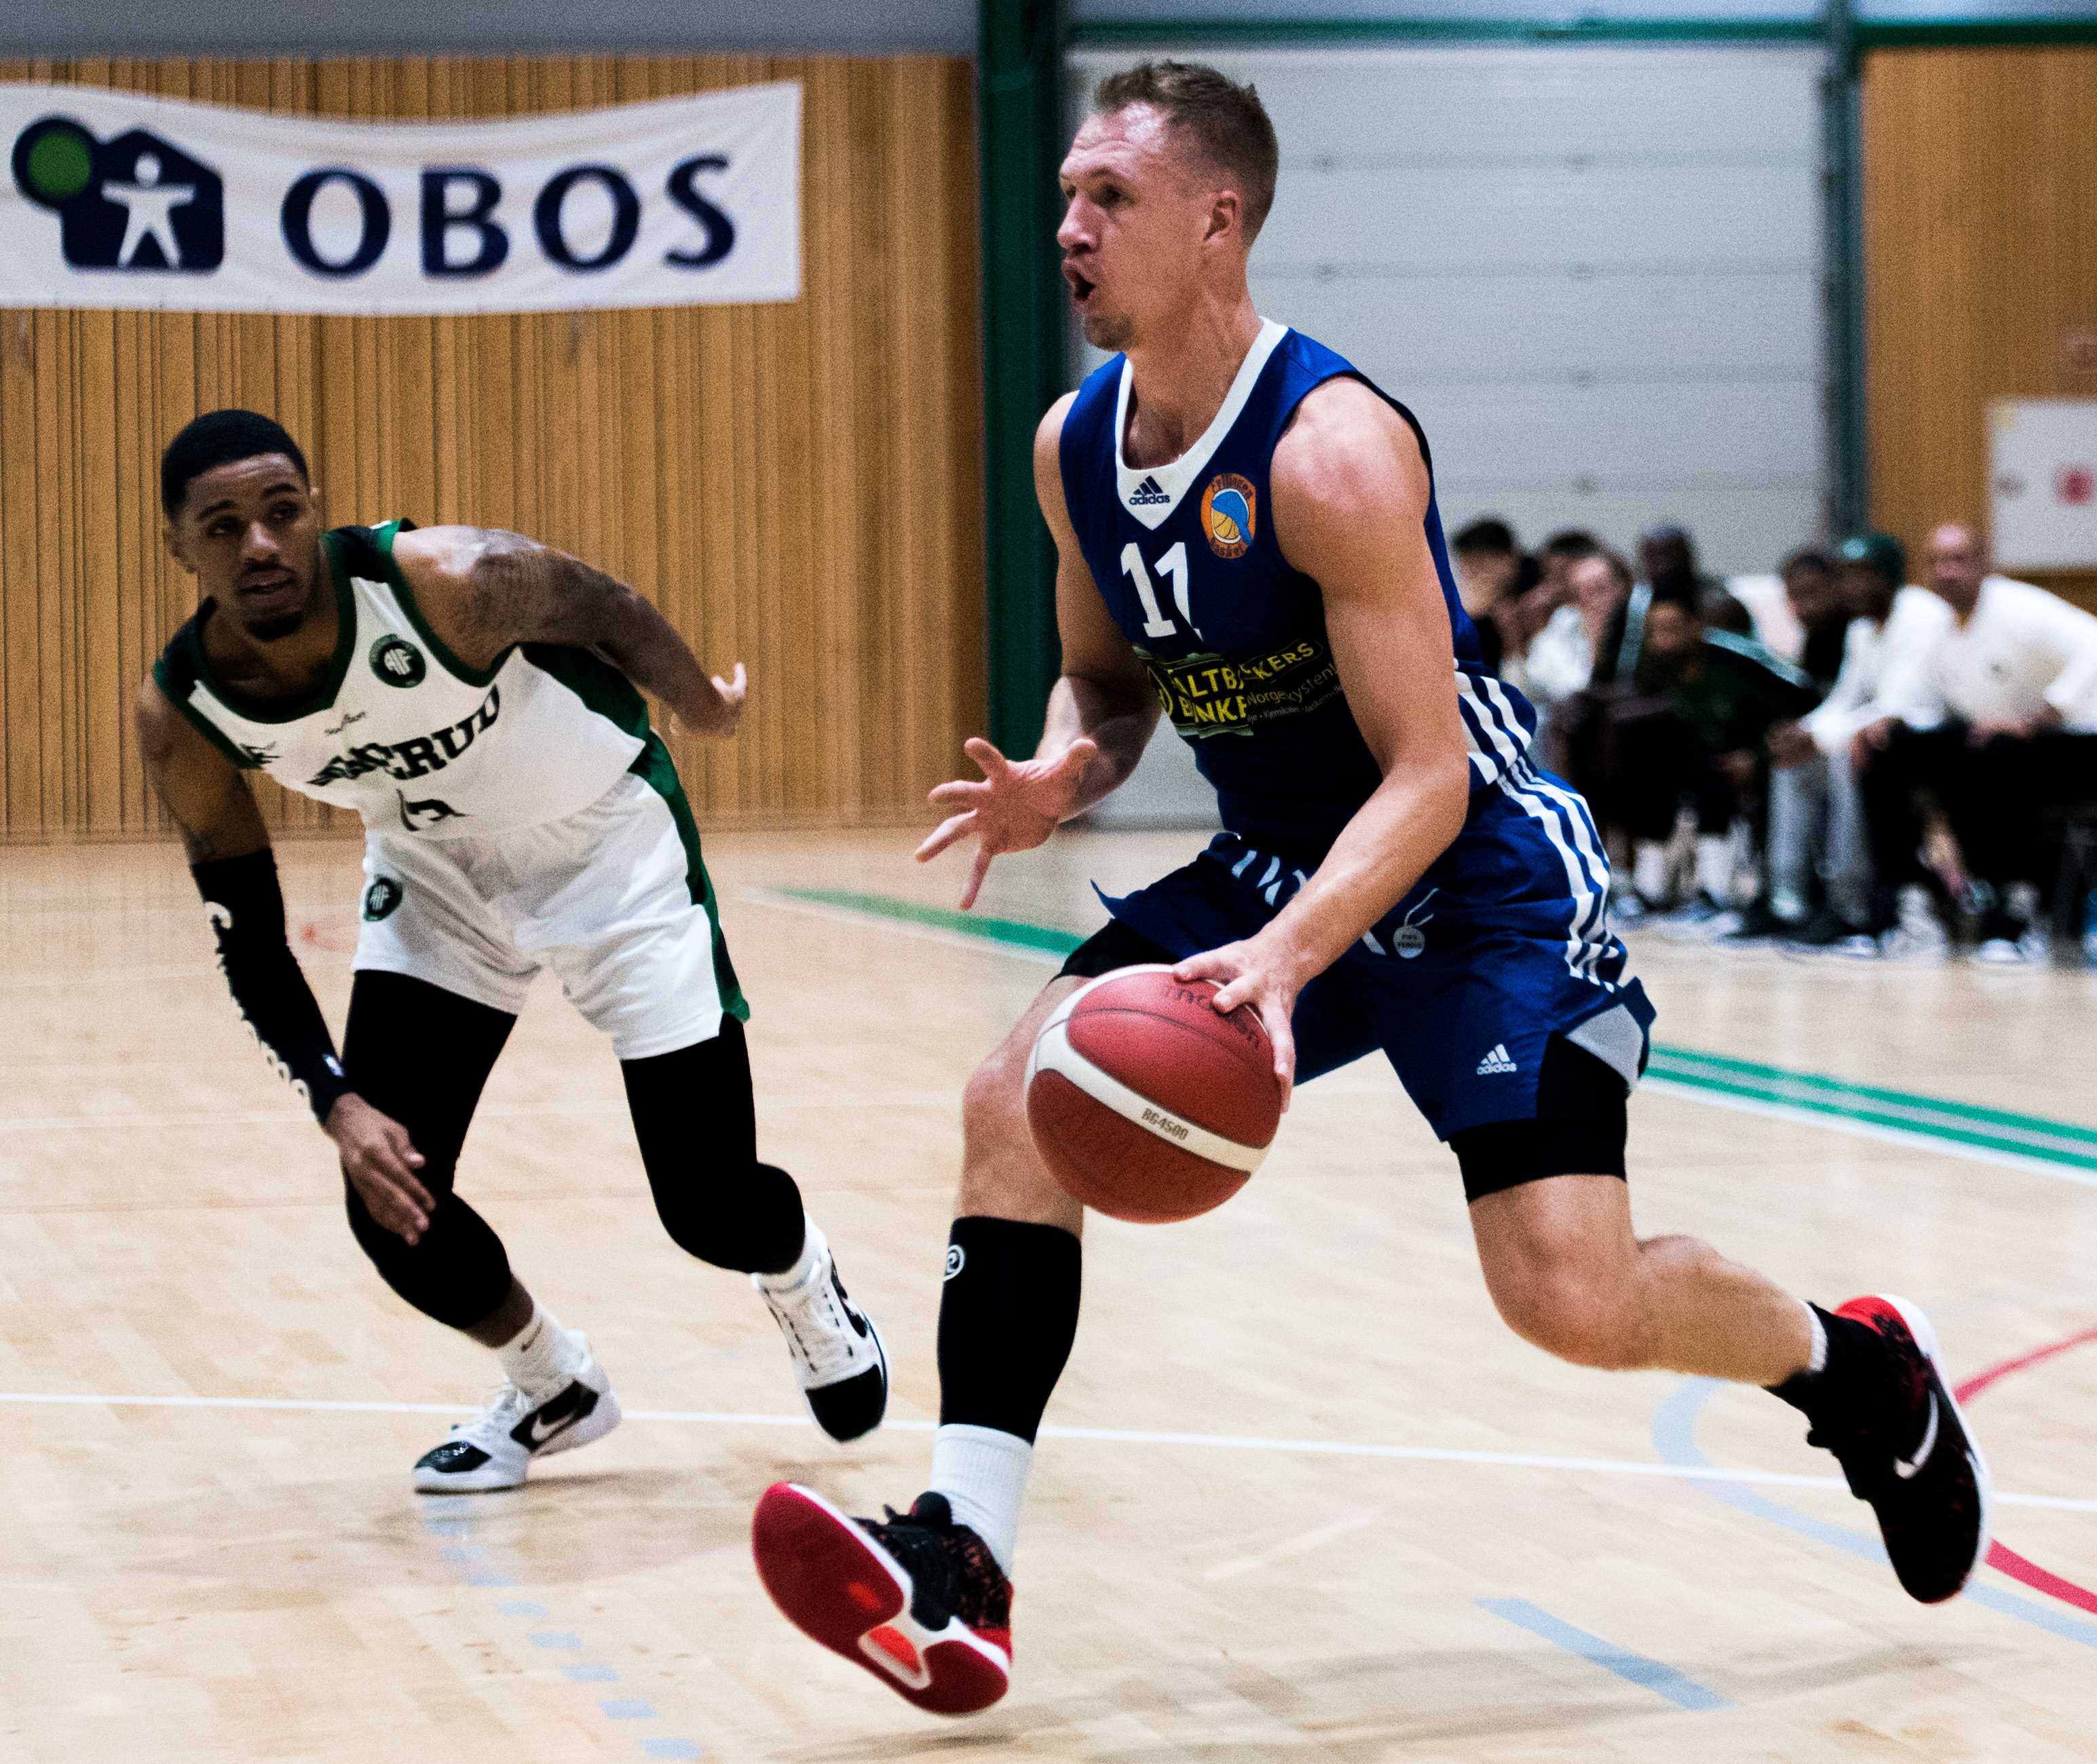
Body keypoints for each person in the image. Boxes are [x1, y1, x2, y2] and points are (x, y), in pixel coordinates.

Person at [747, 62, 1988, 1718]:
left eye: (1106, 198)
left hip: (1476, 881)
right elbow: (1107, 688)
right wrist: (1063, 769)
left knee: (1565, 1293)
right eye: (1064, 195)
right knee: (1012, 1097)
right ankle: (962, 1560)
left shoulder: (1333, 452)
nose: (1066, 226)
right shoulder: (1074, 450)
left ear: (1216, 219)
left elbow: (1429, 775)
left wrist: (1281, 960)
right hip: (1278, 860)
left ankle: (1858, 1373)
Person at [139, 409, 888, 1493]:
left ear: (313, 513)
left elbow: (607, 608)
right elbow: (246, 935)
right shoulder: (185, 711)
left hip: (605, 844)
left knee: (707, 1204)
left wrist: (703, 708)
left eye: (280, 512)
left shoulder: (449, 579)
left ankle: (801, 1276)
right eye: (223, 527)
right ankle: (552, 1385)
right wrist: (333, 1099)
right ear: (181, 549)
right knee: (390, 1203)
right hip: (437, 877)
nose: (258, 545)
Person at [1857, 522, 2097, 959]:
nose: (1946, 571)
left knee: (1997, 755)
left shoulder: (2020, 606)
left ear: (1985, 564)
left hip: (2074, 743)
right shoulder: (1938, 625)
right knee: (1889, 748)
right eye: (1937, 561)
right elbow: (1925, 701)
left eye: (1958, 559)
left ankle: (2014, 911)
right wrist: (1884, 721)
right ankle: (1911, 902)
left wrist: (2040, 717)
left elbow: (2094, 645)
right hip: (1992, 746)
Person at [1756, 534, 1950, 942]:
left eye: (1865, 575)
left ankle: (1851, 905)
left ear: (1892, 576)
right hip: (1876, 733)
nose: (1853, 587)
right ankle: (1787, 901)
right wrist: (1804, 731)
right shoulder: (1862, 627)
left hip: (1928, 739)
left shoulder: (1921, 614)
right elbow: (1846, 699)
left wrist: (1822, 738)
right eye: (1847, 577)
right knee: (1792, 759)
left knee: (1848, 752)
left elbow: (1899, 703)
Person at [1448, 516, 1534, 677]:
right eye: (1465, 566)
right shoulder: (1480, 611)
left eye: (1479, 565)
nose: (1470, 575)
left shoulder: (1536, 597)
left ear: (1509, 559)